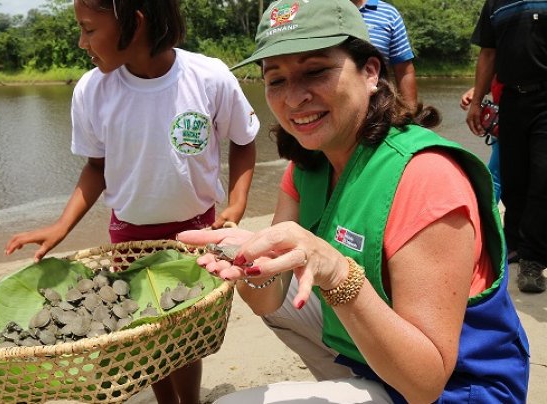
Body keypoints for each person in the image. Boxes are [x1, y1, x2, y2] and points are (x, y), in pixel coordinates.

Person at [177, 0, 529, 402]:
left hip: (456, 386)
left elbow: (426, 384)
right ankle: (357, 382)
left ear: (371, 71)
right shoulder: (307, 164)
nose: (293, 99)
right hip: (387, 360)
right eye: (276, 80)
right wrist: (250, 265)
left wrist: (337, 273)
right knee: (286, 283)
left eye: (315, 71)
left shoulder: (427, 177)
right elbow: (269, 301)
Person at [4, 0, 259, 402]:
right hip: (129, 236)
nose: (81, 41)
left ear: (133, 25)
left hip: (197, 231)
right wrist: (61, 226)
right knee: (147, 330)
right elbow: (95, 168)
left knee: (185, 330)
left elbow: (243, 140)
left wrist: (237, 204)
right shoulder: (93, 90)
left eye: (89, 29)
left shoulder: (208, 77)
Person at [467, 0, 547, 294]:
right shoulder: (496, 4)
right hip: (511, 100)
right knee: (514, 177)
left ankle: (533, 258)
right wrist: (476, 101)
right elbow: (488, 54)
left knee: (543, 176)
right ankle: (512, 245)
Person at [350, 0, 418, 111]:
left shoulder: (389, 14)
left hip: (378, 110)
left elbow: (404, 70)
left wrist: (410, 115)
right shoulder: (321, 11)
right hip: (332, 107)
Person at [460, 77, 503, 203]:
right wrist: (479, 91)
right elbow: (501, 69)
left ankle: (486, 218)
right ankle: (487, 217)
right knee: (495, 176)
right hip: (503, 120)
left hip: (532, 116)